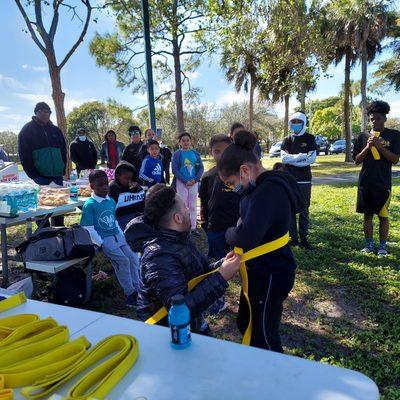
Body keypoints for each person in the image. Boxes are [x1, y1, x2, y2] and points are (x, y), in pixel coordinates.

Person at [218, 130, 304, 352]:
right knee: (245, 322)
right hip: (260, 271)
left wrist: (229, 232)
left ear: (245, 170)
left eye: (231, 183)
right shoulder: (257, 189)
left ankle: (272, 378)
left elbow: (246, 236)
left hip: (271, 274)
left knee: (263, 335)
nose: (232, 189)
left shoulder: (269, 191)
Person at [125, 184, 241, 333]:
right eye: (185, 207)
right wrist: (221, 277)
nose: (188, 209)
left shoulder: (177, 238)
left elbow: (198, 273)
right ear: (177, 218)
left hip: (190, 322)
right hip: (166, 332)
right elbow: (180, 309)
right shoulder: (159, 257)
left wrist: (222, 264)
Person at [80, 169, 140, 307]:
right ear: (92, 186)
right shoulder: (90, 205)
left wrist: (122, 235)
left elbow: (114, 221)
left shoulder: (111, 201)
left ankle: (138, 289)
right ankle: (130, 294)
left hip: (118, 235)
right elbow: (87, 227)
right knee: (123, 261)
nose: (105, 187)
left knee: (132, 257)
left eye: (106, 183)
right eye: (100, 185)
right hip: (104, 238)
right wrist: (100, 243)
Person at [353, 100, 400, 257]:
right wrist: (367, 147)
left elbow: (395, 160)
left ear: (385, 118)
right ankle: (369, 245)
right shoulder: (362, 136)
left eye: (378, 118)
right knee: (367, 215)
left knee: (383, 216)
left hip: (383, 182)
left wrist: (379, 146)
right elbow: (357, 161)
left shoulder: (394, 135)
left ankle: (382, 247)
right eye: (372, 119)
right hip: (365, 182)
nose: (374, 121)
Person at [200, 134, 240, 315]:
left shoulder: (239, 175)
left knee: (242, 265)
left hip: (237, 230)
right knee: (217, 266)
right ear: (211, 152)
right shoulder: (207, 176)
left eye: (225, 151)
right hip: (214, 230)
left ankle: (250, 299)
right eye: (217, 152)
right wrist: (205, 223)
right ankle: (217, 300)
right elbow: (205, 204)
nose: (221, 155)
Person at [280, 111, 317, 250]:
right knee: (290, 209)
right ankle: (293, 239)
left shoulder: (309, 138)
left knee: (304, 210)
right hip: (289, 179)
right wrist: (301, 156)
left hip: (304, 180)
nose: (295, 125)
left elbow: (312, 159)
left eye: (298, 122)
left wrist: (293, 159)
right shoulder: (287, 139)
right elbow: (283, 159)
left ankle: (304, 238)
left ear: (304, 123)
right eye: (293, 122)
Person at [18, 102, 67, 187]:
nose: (46, 113)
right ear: (36, 112)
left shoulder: (56, 130)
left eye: (48, 111)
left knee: (61, 199)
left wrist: (62, 169)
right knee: (44, 200)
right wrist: (34, 175)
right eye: (42, 111)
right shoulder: (26, 130)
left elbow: (63, 151)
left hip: (58, 176)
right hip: (40, 178)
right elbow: (24, 156)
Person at [171, 132, 204, 230]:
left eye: (187, 140)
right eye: (183, 141)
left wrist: (195, 180)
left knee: (193, 206)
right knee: (183, 205)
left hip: (194, 183)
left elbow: (200, 168)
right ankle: (183, 226)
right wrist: (185, 181)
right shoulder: (177, 154)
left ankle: (193, 227)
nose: (185, 142)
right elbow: (175, 170)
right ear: (180, 142)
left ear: (190, 142)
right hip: (182, 183)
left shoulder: (195, 153)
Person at [109, 161, 145, 231]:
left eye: (131, 178)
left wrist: (137, 188)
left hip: (137, 217)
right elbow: (111, 211)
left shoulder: (136, 187)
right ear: (118, 176)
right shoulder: (113, 188)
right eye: (126, 178)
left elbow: (142, 204)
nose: (129, 181)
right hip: (120, 219)